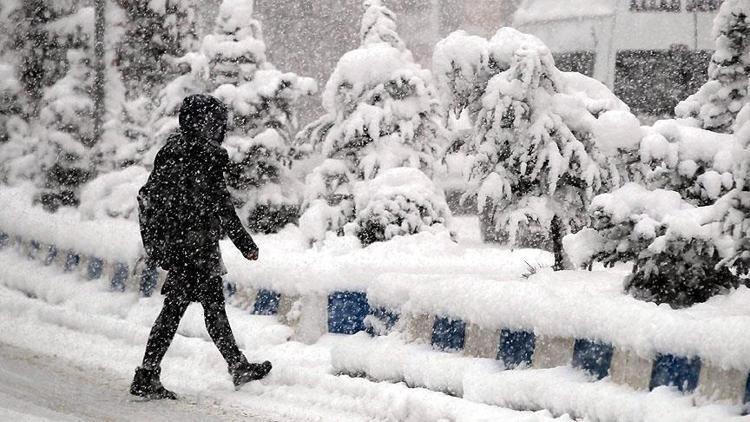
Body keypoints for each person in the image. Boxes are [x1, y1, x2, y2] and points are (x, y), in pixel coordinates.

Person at [130, 94, 272, 400]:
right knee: (185, 310)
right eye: (215, 122)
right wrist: (245, 243)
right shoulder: (203, 156)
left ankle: (234, 366)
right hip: (194, 248)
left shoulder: (172, 151)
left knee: (203, 307)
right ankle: (148, 373)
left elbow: (160, 197)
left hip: (180, 245)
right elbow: (221, 204)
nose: (219, 127)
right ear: (204, 123)